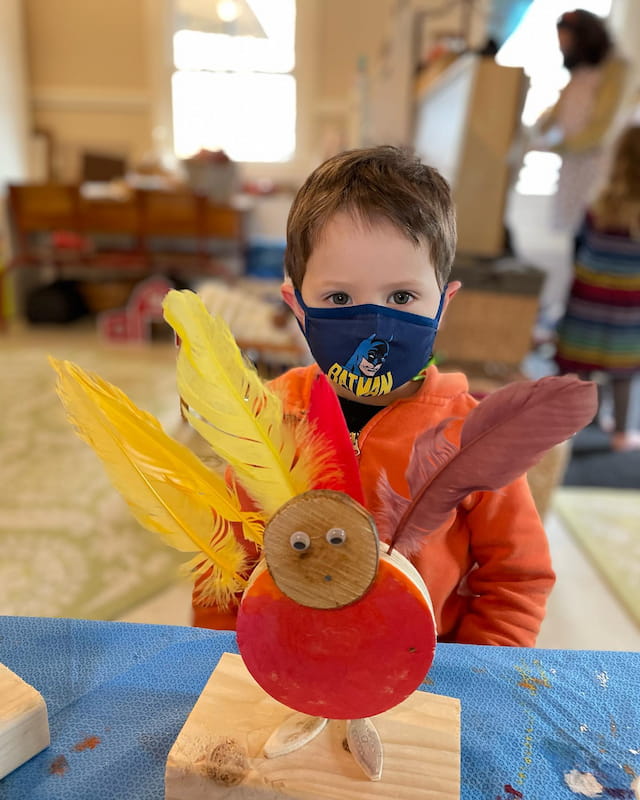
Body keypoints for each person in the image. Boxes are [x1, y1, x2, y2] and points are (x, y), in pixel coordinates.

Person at [193, 145, 556, 646]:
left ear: (441, 306)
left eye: (401, 297)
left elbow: (517, 579)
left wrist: (476, 678)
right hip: (287, 666)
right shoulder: (266, 421)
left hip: (426, 676)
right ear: (296, 306)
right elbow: (224, 562)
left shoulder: (479, 440)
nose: (375, 322)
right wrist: (224, 661)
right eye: (339, 298)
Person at [530, 9, 628, 337]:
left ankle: (584, 323)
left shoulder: (615, 69)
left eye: (567, 41)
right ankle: (569, 323)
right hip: (572, 170)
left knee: (590, 244)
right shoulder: (576, 74)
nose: (563, 47)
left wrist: (558, 147)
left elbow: (600, 128)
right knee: (573, 242)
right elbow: (555, 118)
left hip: (599, 172)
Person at [555, 126, 640, 452]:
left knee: (587, 365)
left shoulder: (598, 206)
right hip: (630, 308)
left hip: (590, 303)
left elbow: (580, 250)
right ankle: (621, 433)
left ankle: (587, 418)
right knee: (624, 372)